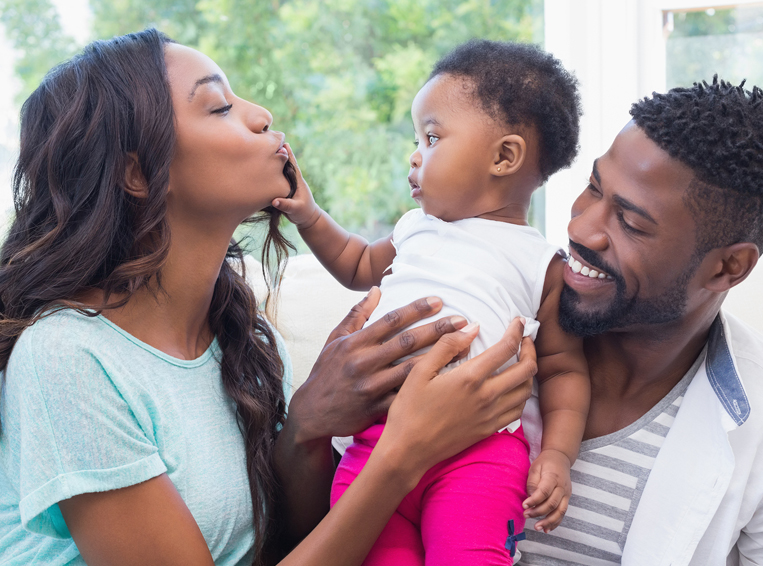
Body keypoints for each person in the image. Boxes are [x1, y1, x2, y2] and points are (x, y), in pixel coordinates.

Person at [0, 29, 538, 566]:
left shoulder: (249, 344)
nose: (259, 114)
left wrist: (307, 424)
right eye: (218, 107)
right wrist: (405, 451)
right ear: (138, 173)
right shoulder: (68, 360)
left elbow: (287, 546)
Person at [272, 40, 590, 564]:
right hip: (376, 443)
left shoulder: (543, 264)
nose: (415, 155)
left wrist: (556, 454)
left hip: (482, 457)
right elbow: (356, 263)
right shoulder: (415, 229)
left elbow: (562, 371)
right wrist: (309, 216)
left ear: (504, 157)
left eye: (432, 137)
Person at [517, 77, 763, 564]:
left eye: (630, 223)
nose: (580, 228)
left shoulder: (753, 428)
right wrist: (315, 426)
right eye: (593, 188)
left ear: (726, 268)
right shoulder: (488, 314)